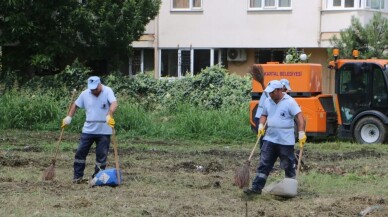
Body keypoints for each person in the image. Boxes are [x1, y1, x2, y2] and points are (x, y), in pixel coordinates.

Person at [244, 80, 306, 195]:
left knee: (288, 165)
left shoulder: (290, 102)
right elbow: (264, 115)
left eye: (272, 92)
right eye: (269, 92)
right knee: (264, 163)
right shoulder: (268, 100)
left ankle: (290, 189)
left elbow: (300, 117)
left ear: (279, 90)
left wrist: (301, 133)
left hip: (285, 141)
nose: (270, 94)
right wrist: (261, 125)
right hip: (270, 139)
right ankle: (256, 188)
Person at [61, 76, 118, 183]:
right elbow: (75, 105)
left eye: (95, 89)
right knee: (80, 153)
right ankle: (77, 177)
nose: (93, 91)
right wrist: (69, 117)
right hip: (88, 130)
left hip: (104, 131)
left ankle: (97, 178)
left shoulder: (108, 90)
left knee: (101, 156)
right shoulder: (85, 93)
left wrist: (109, 115)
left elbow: (114, 103)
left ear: (100, 84)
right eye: (91, 89)